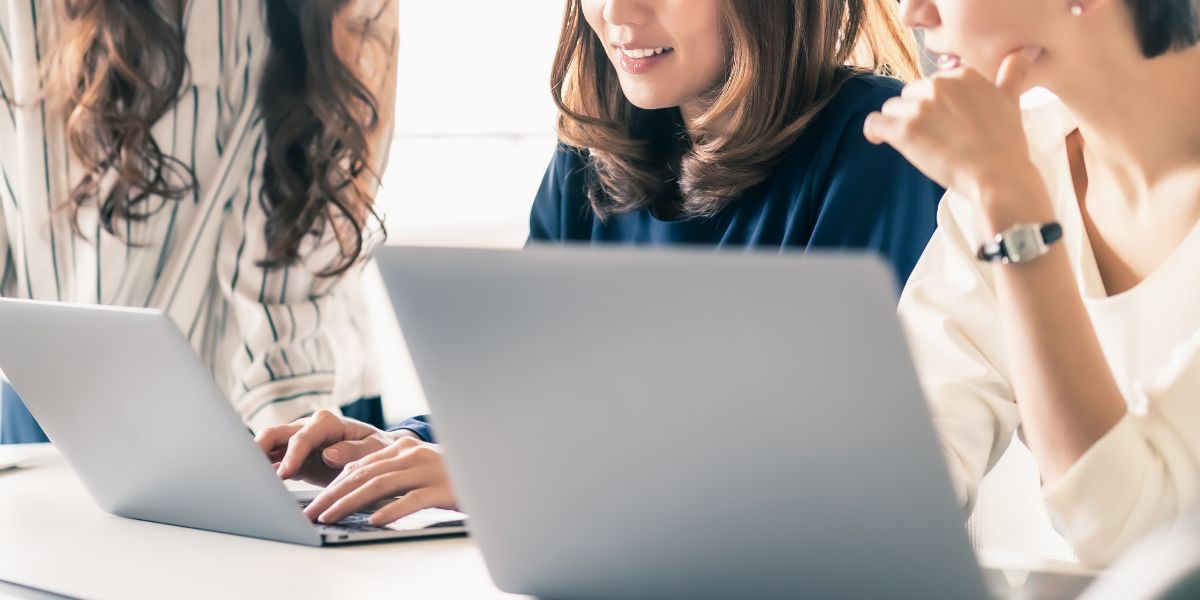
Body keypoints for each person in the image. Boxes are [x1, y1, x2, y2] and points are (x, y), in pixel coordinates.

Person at [258, 0, 945, 527]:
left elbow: (804, 465)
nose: (615, 13)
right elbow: (528, 403)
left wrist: (513, 473)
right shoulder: (597, 156)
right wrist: (385, 449)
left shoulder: (882, 139)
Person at [864, 0, 1200, 567]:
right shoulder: (1015, 160)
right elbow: (908, 467)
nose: (911, 13)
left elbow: (1144, 542)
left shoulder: (1004, 175)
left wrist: (1016, 217)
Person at [0, 0, 398, 442]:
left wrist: (290, 442)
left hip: (299, 392)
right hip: (54, 406)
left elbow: (295, 271)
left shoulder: (345, 10)